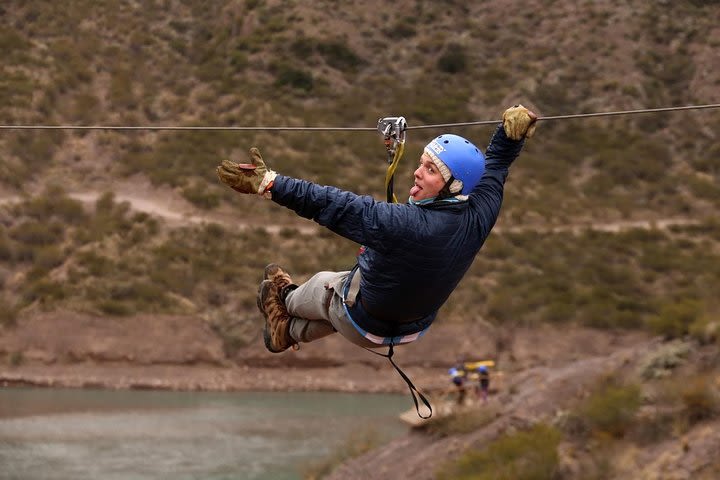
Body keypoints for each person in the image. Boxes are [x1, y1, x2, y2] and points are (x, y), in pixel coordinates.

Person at [216, 105, 537, 355]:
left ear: (453, 185)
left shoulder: (408, 226)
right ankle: (287, 333)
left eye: (430, 170)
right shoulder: (481, 213)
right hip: (411, 329)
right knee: (348, 302)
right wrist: (511, 136)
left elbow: (334, 205)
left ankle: (283, 299)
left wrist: (269, 183)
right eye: (422, 163)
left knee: (330, 285)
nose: (416, 173)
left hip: (362, 320)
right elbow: (496, 165)